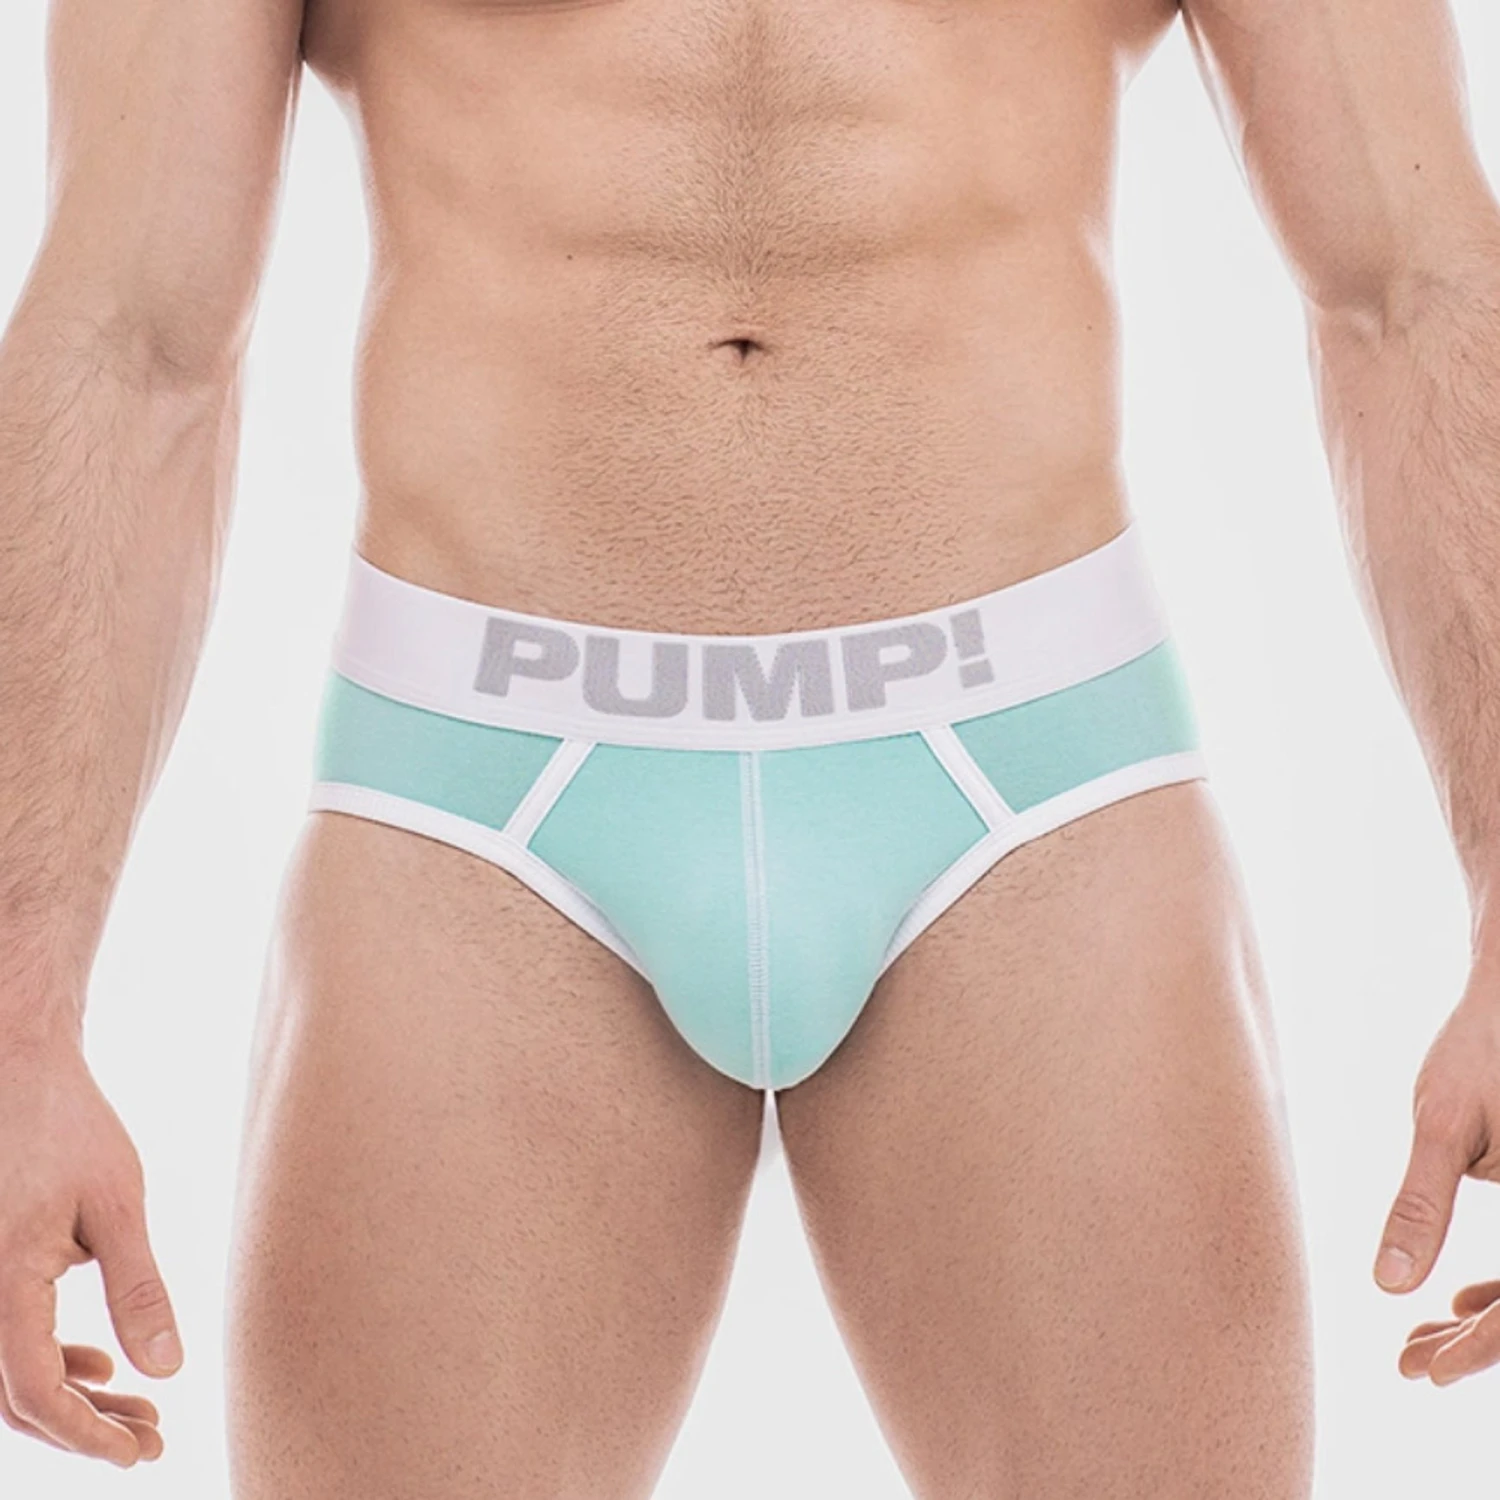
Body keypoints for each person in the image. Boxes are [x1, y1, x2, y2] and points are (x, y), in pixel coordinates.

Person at [2, 0, 1499, 1493]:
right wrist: (16, 1022)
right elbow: (131, 341)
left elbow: (1414, 284)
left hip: (1031, 773)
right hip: (483, 795)